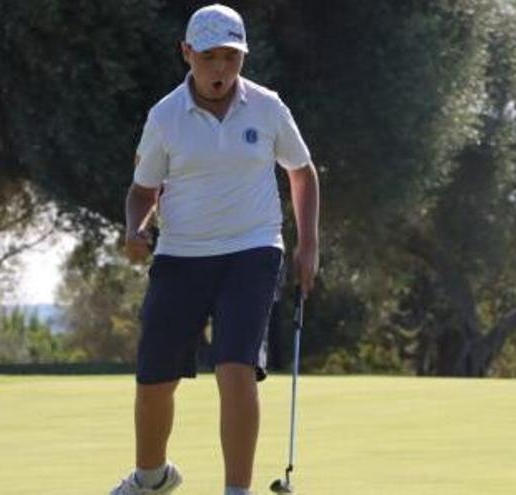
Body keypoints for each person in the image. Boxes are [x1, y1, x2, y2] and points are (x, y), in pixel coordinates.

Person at [111, 4, 319, 495]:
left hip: (252, 250)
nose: (221, 68)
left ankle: (237, 491)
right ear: (187, 53)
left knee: (235, 366)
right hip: (180, 256)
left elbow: (302, 171)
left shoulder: (268, 107)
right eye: (210, 57)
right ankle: (152, 478)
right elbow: (143, 190)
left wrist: (308, 246)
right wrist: (135, 230)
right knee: (155, 380)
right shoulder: (164, 117)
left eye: (232, 56)